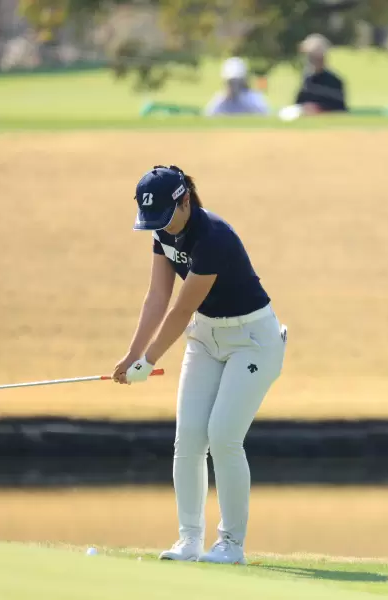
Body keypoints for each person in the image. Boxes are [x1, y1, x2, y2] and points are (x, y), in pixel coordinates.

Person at [113, 165, 287, 565]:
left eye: (165, 216)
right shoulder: (162, 231)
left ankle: (231, 545)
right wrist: (132, 354)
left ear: (185, 200)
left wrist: (150, 359)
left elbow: (181, 308)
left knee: (223, 435)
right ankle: (189, 540)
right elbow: (157, 295)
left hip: (253, 341)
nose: (161, 227)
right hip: (207, 338)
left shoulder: (213, 238)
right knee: (189, 437)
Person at [294, 33, 348, 114]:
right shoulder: (307, 80)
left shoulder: (334, 81)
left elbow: (340, 109)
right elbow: (299, 104)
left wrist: (319, 109)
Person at [204, 57, 270, 116]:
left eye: (237, 81)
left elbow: (264, 113)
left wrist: (241, 100)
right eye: (231, 82)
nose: (234, 85)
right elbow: (209, 114)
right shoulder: (220, 98)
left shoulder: (254, 97)